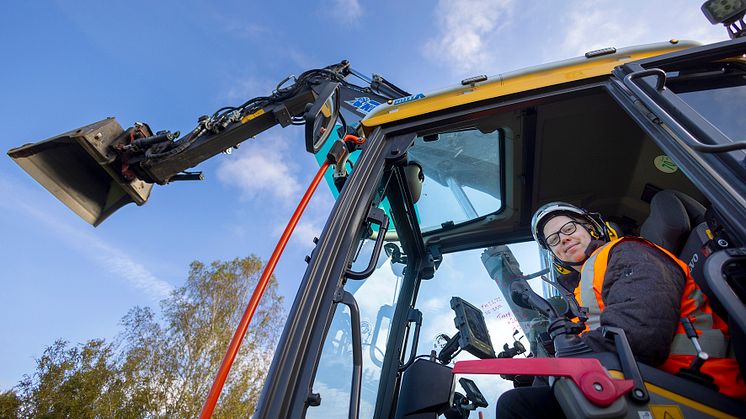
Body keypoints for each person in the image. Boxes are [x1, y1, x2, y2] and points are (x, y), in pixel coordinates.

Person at [496, 202, 745, 418]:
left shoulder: (628, 251)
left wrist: (559, 368)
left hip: (695, 387)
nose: (563, 239)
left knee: (517, 407)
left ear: (591, 228)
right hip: (647, 382)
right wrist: (536, 374)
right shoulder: (587, 287)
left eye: (569, 228)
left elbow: (640, 332)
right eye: (553, 240)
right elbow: (585, 337)